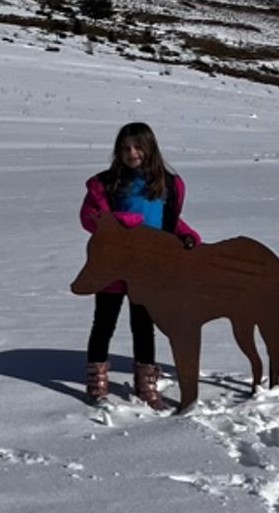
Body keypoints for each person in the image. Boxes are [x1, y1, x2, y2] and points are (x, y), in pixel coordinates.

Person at [79, 123, 199, 408]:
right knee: (103, 323)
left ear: (150, 147)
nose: (131, 153)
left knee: (144, 326)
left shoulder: (167, 184)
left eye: (137, 146)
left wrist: (185, 235)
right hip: (114, 267)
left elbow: (164, 223)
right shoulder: (108, 183)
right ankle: (97, 380)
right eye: (125, 148)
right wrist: (121, 220)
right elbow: (89, 217)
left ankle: (145, 382)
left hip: (148, 269)